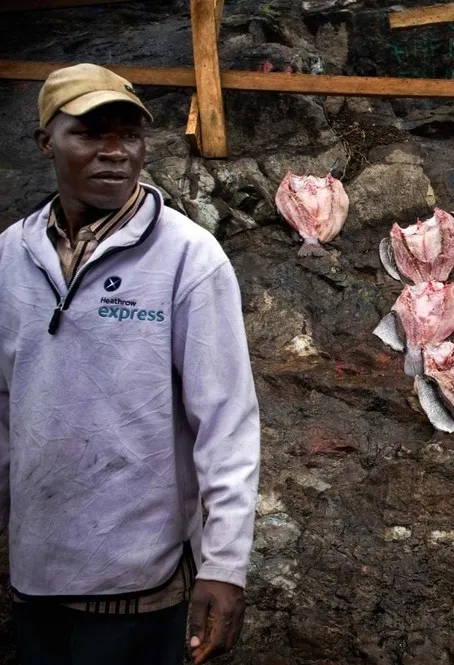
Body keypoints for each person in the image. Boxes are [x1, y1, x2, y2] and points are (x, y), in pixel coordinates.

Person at [0, 63, 261, 664]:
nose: (115, 152)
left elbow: (226, 425)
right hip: (36, 563)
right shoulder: (14, 254)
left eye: (129, 135)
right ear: (46, 142)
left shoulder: (189, 259)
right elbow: (6, 406)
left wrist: (224, 565)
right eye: (90, 134)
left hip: (139, 575)